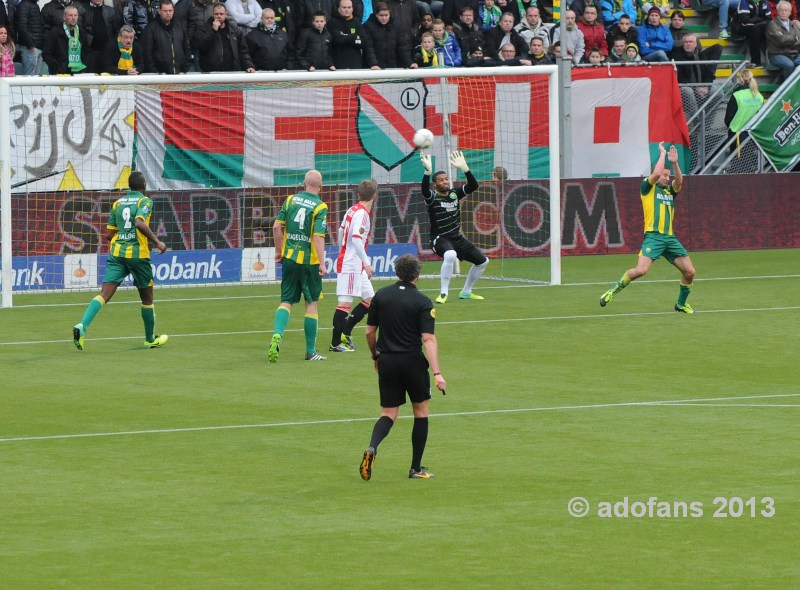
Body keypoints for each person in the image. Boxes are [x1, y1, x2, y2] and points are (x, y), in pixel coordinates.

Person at [358, 253, 446, 481]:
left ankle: (372, 447)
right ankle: (416, 468)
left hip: (387, 361)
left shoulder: (381, 296)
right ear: (417, 274)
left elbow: (369, 332)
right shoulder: (423, 301)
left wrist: (375, 356)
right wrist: (437, 373)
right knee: (421, 411)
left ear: (397, 272)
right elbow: (428, 339)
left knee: (388, 413)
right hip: (412, 362)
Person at [72, 171, 169, 351]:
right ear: (144, 186)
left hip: (117, 254)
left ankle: (82, 326)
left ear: (129, 186)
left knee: (104, 294)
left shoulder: (118, 203)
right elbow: (140, 222)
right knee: (147, 298)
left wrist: (122, 240)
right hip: (138, 255)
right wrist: (157, 242)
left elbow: (108, 234)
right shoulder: (144, 201)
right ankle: (149, 339)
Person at [599, 142, 696, 313]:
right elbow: (657, 172)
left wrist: (674, 163)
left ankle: (680, 304)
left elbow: (679, 183)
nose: (667, 178)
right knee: (641, 270)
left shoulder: (669, 192)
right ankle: (612, 291)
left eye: (668, 175)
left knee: (690, 272)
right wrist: (662, 154)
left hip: (670, 239)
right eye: (665, 175)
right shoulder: (647, 188)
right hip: (653, 237)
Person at [268, 170, 329, 363]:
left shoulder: (290, 200)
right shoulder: (320, 207)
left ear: (304, 183)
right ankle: (310, 351)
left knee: (286, 301)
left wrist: (279, 251)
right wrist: (321, 262)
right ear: (321, 186)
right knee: (311, 304)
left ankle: (277, 334)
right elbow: (318, 236)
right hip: (309, 263)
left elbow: (277, 227)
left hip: (290, 259)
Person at [420, 150, 489, 303]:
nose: (445, 182)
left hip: (456, 238)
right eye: (441, 180)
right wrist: (427, 172)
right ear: (435, 184)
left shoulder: (454, 194)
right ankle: (444, 293)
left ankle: (466, 291)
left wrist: (465, 168)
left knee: (483, 262)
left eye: (446, 179)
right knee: (450, 255)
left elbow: (473, 185)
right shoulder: (432, 197)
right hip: (439, 239)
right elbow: (424, 190)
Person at [330, 179, 378, 353]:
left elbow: (342, 230)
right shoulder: (362, 214)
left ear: (359, 194)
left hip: (353, 262)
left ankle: (346, 333)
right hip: (352, 264)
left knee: (370, 301)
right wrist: (366, 263)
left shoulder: (352, 209)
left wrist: (343, 249)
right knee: (345, 303)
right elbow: (356, 238)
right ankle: (335, 344)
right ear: (374, 195)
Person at [195, 2, 256, 72]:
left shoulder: (234, 29)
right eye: (216, 14)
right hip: (211, 72)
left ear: (226, 14)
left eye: (221, 14)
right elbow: (201, 46)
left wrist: (248, 65)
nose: (219, 16)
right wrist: (213, 31)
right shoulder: (204, 28)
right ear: (212, 14)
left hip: (232, 71)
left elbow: (243, 50)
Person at [139, 0, 191, 74]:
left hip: (180, 74)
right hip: (159, 75)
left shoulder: (180, 27)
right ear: (159, 11)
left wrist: (185, 68)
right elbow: (147, 54)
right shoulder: (151, 29)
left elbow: (187, 48)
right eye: (165, 11)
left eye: (170, 10)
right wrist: (155, 72)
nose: (168, 13)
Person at [328, 0, 379, 69]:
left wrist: (344, 37)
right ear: (338, 9)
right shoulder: (332, 22)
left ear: (352, 9)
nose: (347, 10)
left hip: (355, 65)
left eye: (349, 7)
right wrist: (354, 36)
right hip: (337, 65)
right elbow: (338, 40)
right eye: (344, 7)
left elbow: (364, 42)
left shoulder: (357, 23)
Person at [42, 5, 88, 74]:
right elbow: (46, 53)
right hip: (61, 72)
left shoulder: (82, 32)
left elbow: (87, 51)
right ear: (64, 17)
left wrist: (85, 64)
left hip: (79, 71)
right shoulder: (55, 32)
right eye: (70, 15)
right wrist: (56, 68)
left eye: (75, 15)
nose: (73, 18)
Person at [363, 2, 411, 68]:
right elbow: (368, 48)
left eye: (386, 15)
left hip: (391, 66)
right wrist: (374, 64)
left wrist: (409, 63)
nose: (384, 18)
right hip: (373, 67)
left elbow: (402, 47)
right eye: (381, 15)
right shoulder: (368, 26)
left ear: (389, 14)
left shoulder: (395, 26)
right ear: (376, 15)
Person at [724, 69, 764, 146]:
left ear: (741, 79)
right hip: (753, 133)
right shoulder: (759, 96)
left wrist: (729, 126)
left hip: (736, 133)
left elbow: (729, 116)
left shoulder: (737, 94)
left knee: (735, 157)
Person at [766, 0, 800, 80]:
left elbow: (798, 40)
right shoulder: (772, 24)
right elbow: (780, 41)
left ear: (790, 12)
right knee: (789, 65)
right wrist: (794, 38)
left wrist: (786, 38)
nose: (784, 12)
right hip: (777, 54)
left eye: (786, 10)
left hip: (793, 54)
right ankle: (787, 88)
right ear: (777, 11)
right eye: (781, 10)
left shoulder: (794, 24)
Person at [732, 0, 771, 66]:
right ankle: (755, 62)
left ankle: (772, 60)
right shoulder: (744, 1)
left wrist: (756, 23)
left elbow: (768, 19)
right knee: (755, 30)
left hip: (756, 26)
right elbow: (745, 20)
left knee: (769, 28)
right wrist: (761, 20)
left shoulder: (764, 2)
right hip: (740, 27)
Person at [82, 0, 117, 73]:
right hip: (90, 51)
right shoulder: (83, 10)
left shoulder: (110, 10)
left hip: (107, 50)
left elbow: (116, 29)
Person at [16, 0, 45, 75]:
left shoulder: (34, 4)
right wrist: (31, 45)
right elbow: (22, 27)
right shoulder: (23, 5)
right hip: (29, 48)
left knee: (36, 78)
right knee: (29, 77)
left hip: (37, 47)